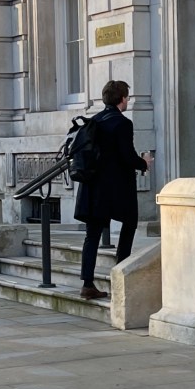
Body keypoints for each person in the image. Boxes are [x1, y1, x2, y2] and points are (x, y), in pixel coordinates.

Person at [74, 80, 153, 300]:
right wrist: (144, 162)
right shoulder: (122, 123)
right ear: (121, 99)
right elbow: (127, 157)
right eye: (127, 97)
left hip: (93, 188)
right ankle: (121, 275)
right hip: (116, 189)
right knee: (129, 225)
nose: (128, 100)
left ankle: (88, 284)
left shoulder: (96, 120)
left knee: (92, 235)